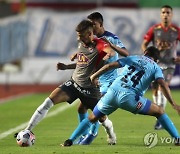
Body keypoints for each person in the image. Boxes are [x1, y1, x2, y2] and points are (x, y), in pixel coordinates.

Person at [14, 19, 119, 146]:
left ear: (90, 34)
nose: (79, 38)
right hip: (74, 84)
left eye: (81, 36)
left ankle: (111, 134)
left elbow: (111, 52)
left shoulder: (100, 44)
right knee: (47, 102)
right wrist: (66, 66)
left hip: (90, 90)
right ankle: (28, 130)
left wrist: (108, 56)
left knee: (102, 119)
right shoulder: (81, 44)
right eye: (78, 36)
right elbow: (82, 65)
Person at [63, 46, 180, 146]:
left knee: (92, 118)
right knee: (159, 111)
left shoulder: (133, 57)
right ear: (157, 60)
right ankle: (177, 139)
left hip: (112, 93)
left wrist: (94, 76)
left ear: (145, 53)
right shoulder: (155, 67)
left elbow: (109, 66)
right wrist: (173, 104)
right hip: (130, 98)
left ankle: (70, 140)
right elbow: (163, 85)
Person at [70, 12, 129, 145]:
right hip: (96, 81)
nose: (91, 27)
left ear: (100, 24)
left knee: (97, 111)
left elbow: (126, 53)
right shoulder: (92, 41)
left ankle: (91, 134)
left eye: (93, 24)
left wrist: (111, 48)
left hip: (110, 81)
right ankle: (108, 134)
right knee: (82, 109)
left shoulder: (110, 38)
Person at [141, 5, 180, 130]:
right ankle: (159, 113)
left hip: (169, 63)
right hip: (156, 63)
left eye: (168, 12)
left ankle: (160, 119)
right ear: (160, 14)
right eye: (163, 12)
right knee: (156, 90)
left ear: (171, 15)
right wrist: (147, 55)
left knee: (165, 86)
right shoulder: (155, 29)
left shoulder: (176, 30)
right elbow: (144, 44)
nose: (165, 14)